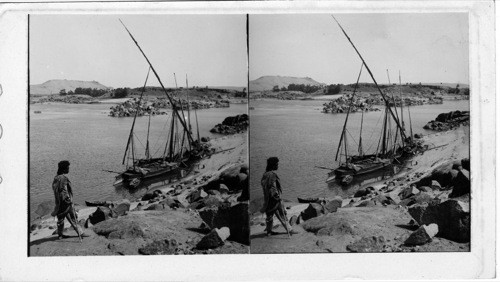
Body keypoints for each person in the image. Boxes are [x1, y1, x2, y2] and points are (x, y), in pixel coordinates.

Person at [260, 157, 295, 236]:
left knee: (269, 215)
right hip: (275, 199)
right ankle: (290, 230)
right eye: (277, 164)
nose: (278, 165)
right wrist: (277, 196)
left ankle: (269, 232)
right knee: (282, 213)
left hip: (268, 199)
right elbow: (272, 187)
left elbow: (266, 187)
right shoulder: (272, 175)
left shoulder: (265, 174)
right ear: (273, 165)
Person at [51, 160, 84, 240]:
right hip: (65, 202)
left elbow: (57, 190)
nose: (68, 169)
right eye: (67, 168)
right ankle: (80, 233)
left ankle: (60, 235)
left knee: (61, 219)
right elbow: (63, 191)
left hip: (59, 202)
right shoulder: (63, 179)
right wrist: (68, 200)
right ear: (64, 169)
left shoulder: (56, 178)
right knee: (73, 217)